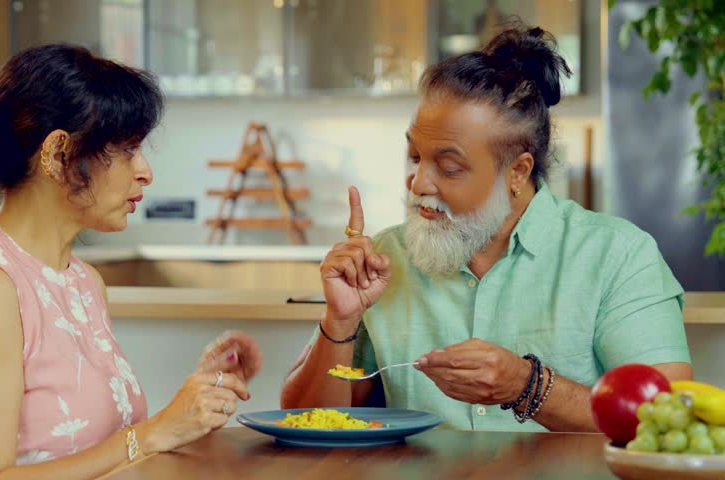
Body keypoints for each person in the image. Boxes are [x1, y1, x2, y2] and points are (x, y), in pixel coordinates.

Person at [280, 26, 692, 432]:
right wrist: (340, 320)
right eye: (415, 156)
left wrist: (527, 386)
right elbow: (307, 422)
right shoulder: (384, 259)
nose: (419, 183)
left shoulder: (617, 255)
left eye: (449, 167)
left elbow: (666, 419)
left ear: (517, 172)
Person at [0, 44, 263, 479]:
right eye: (127, 150)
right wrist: (151, 433)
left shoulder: (83, 281)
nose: (145, 171)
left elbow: (93, 449)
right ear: (58, 155)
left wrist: (193, 405)